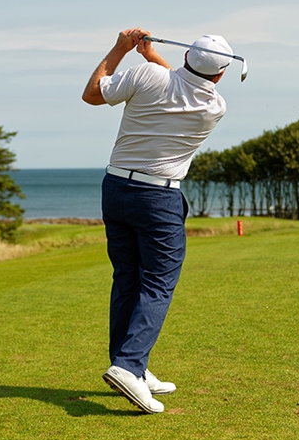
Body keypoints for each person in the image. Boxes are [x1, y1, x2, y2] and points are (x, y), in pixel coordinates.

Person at [82, 27, 232, 414]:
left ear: (186, 56)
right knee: (158, 284)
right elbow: (185, 83)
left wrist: (120, 49)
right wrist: (152, 57)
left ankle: (131, 364)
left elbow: (93, 94)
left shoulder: (147, 75)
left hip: (116, 188)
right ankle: (128, 366)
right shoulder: (214, 105)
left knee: (127, 279)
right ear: (220, 75)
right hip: (159, 199)